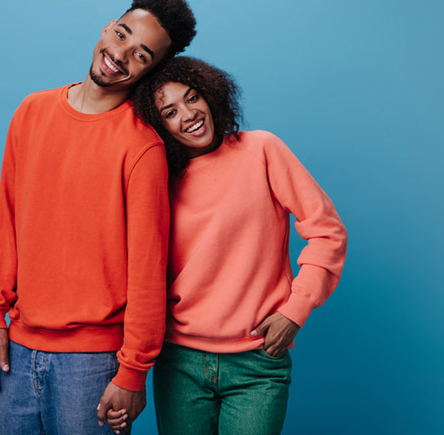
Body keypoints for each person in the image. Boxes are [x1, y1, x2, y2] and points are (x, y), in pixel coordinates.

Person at [0, 0, 196, 435]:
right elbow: (7, 219)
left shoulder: (142, 147)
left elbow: (148, 270)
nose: (120, 54)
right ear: (106, 28)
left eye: (141, 55)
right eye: (121, 34)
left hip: (94, 364)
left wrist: (133, 371)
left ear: (149, 70)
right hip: (17, 347)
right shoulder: (31, 112)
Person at [114, 56, 347, 435]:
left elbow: (327, 231)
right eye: (170, 112)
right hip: (178, 362)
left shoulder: (262, 150)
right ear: (158, 126)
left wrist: (296, 309)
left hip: (256, 361)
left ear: (210, 94)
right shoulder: (157, 180)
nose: (188, 114)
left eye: (192, 98)